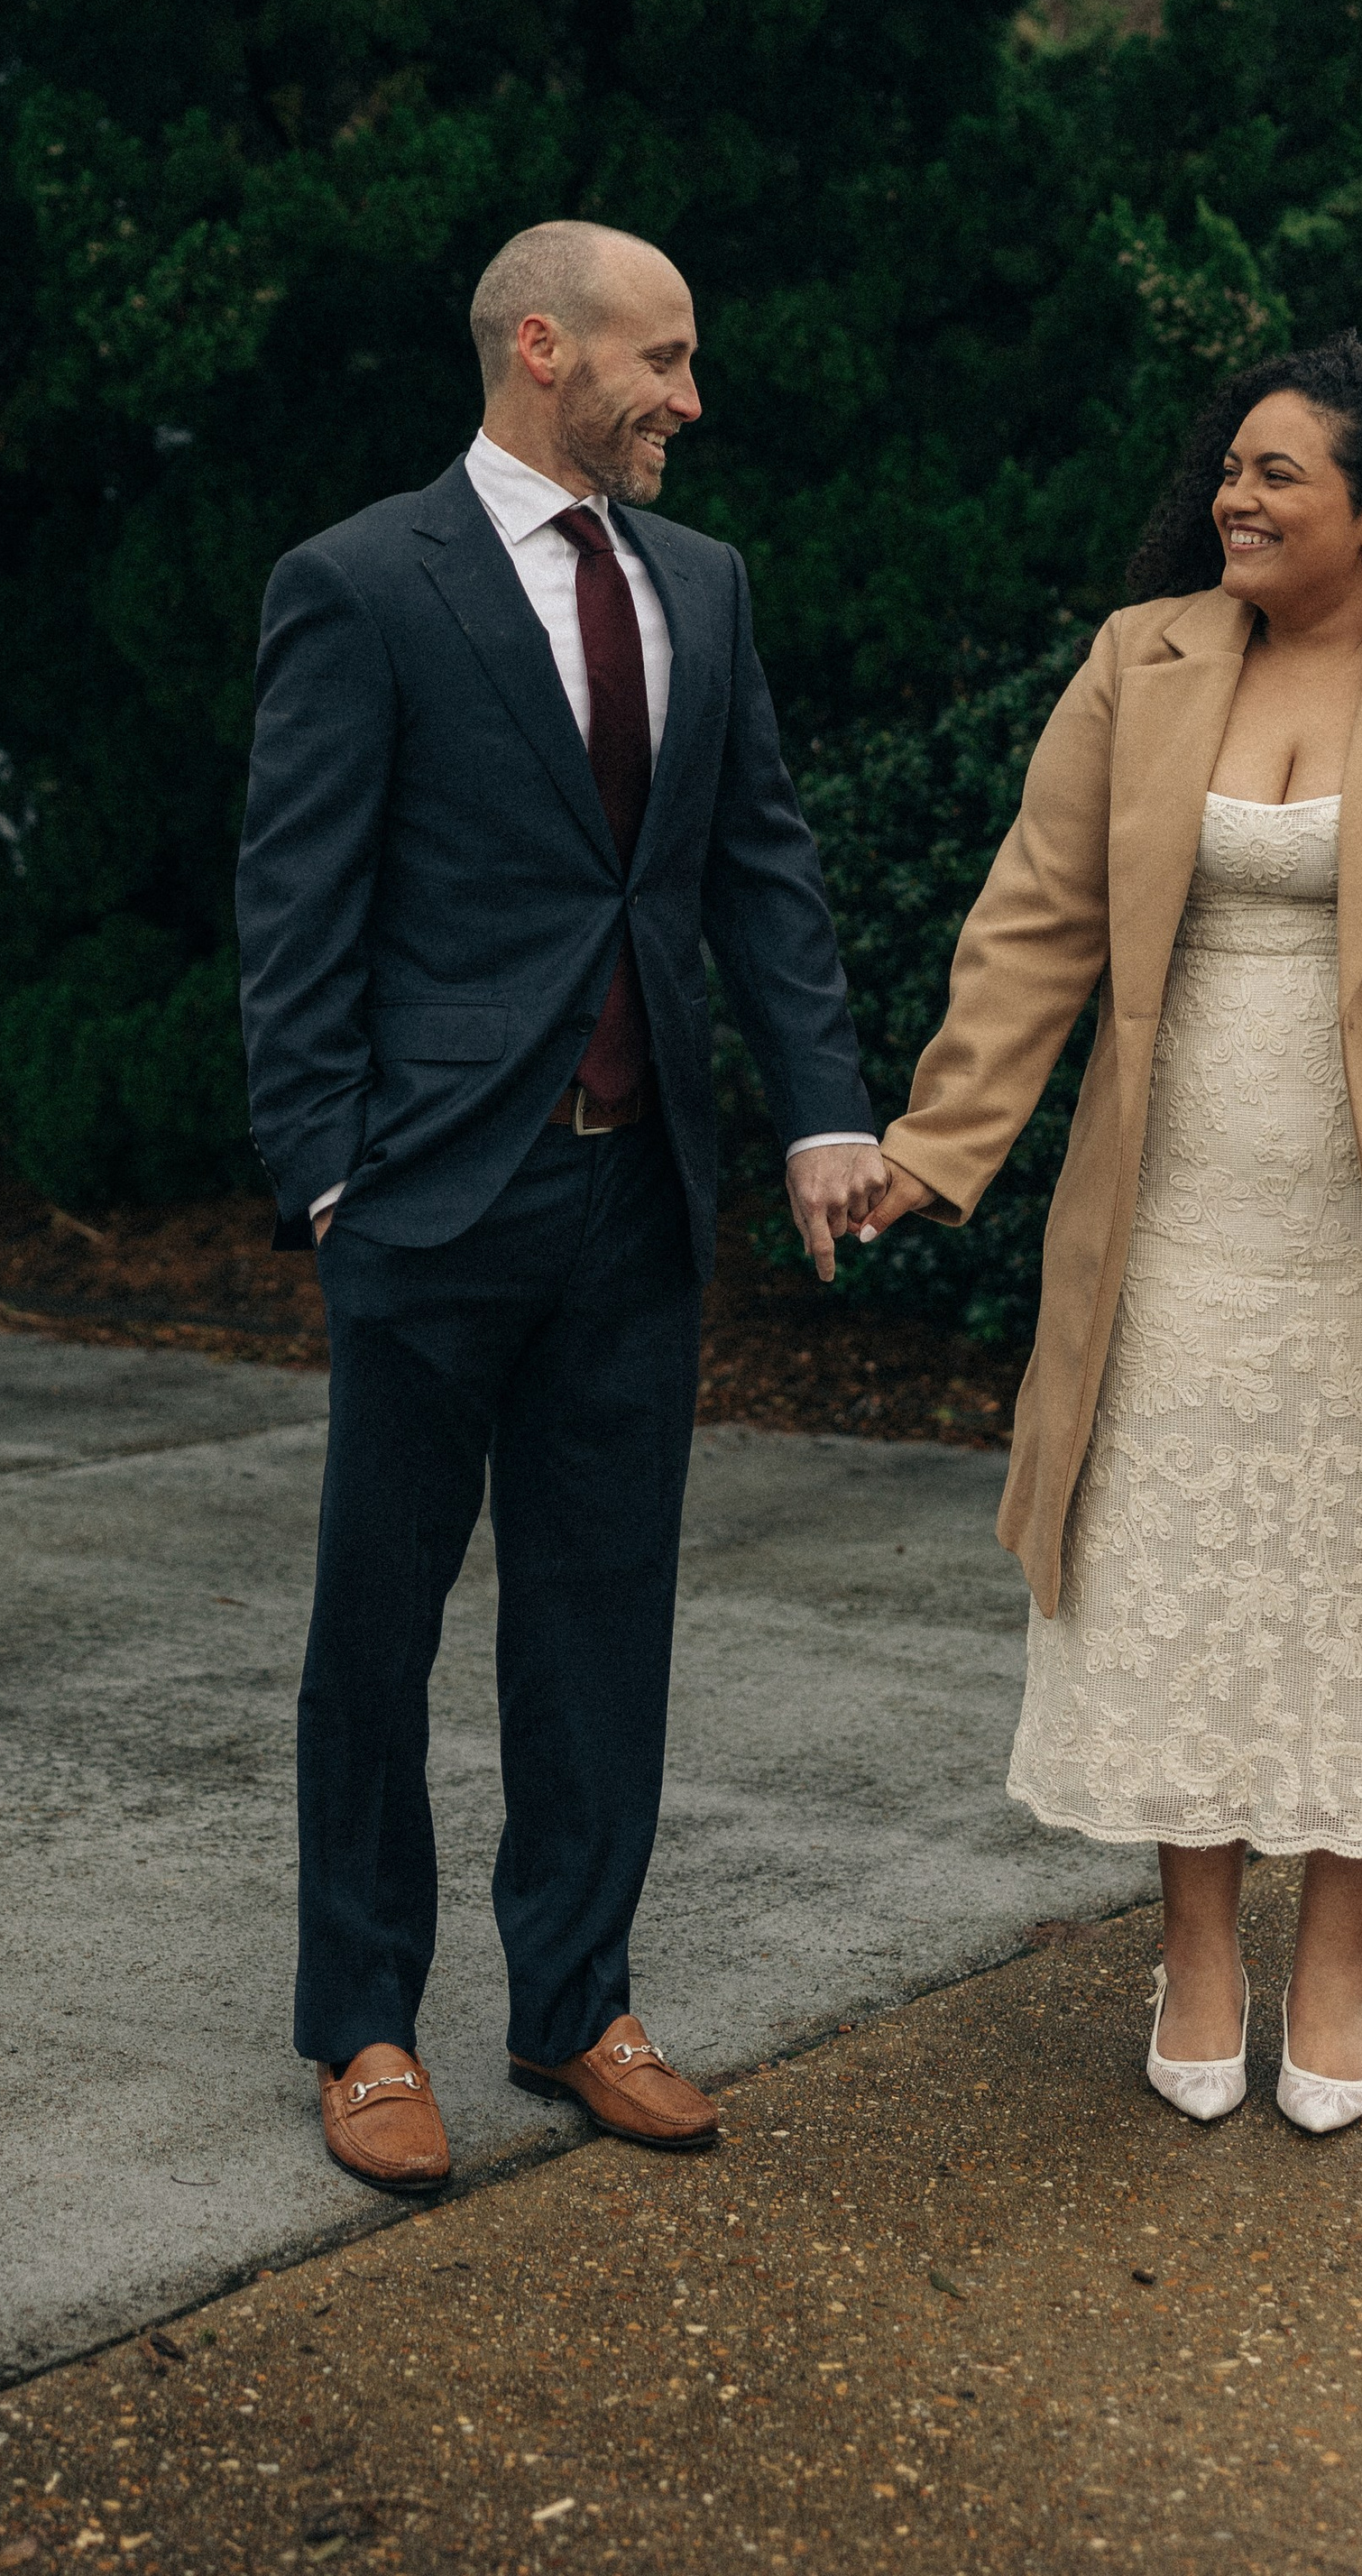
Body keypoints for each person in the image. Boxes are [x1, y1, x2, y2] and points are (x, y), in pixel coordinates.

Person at [860, 335, 1362, 2134]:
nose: (1236, 497)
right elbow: (1032, 917)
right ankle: (1195, 1956)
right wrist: (935, 1143)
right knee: (1173, 1579)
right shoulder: (1143, 658)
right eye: (1229, 467)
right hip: (1174, 1208)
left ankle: (1333, 1967)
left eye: (1278, 475)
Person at [237, 221, 886, 2187]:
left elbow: (753, 870)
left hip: (636, 1209)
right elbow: (295, 905)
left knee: (602, 1623)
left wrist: (817, 1116)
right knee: (378, 1629)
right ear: (545, 348)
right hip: (433, 1206)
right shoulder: (360, 585)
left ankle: (572, 2006)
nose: (689, 397)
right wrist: (332, 1172)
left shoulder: (704, 582)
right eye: (662, 359)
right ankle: (360, 2026)